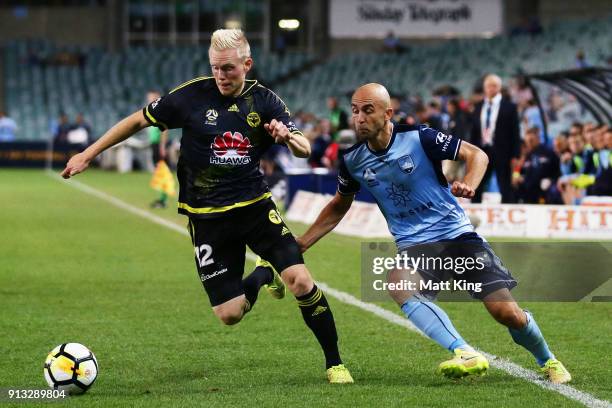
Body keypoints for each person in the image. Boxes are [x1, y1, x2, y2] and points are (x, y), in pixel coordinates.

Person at [61, 28, 353, 384]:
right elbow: (138, 120)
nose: (221, 76)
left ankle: (335, 363)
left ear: (247, 64)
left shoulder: (264, 101)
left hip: (255, 208)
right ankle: (263, 273)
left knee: (301, 281)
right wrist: (88, 153)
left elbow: (305, 149)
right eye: (215, 68)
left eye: (228, 68)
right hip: (206, 218)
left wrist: (288, 138)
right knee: (230, 314)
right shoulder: (191, 95)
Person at [297, 83, 571, 384]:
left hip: (457, 235)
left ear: (388, 113)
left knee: (507, 313)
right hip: (414, 246)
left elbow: (476, 154)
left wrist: (469, 182)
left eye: (367, 110)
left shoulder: (419, 137)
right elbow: (338, 205)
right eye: (355, 111)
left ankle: (548, 360)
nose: (359, 118)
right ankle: (464, 351)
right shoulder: (352, 160)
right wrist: (302, 243)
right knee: (399, 283)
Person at [471, 74, 521, 203]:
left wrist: (516, 154)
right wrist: (471, 152)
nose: (491, 89)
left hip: (502, 151)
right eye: (488, 86)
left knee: (505, 185)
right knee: (476, 184)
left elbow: (515, 132)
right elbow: (474, 131)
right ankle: (473, 215)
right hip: (482, 151)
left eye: (494, 86)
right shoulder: (478, 106)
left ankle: (508, 213)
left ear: (499, 87)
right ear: (484, 88)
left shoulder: (509, 107)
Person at [145, 90, 171, 208]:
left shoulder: (159, 111)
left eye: (152, 97)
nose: (149, 100)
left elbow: (164, 129)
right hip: (154, 145)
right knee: (159, 171)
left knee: (162, 172)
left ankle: (163, 200)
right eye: (148, 98)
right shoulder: (152, 111)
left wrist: (162, 146)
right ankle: (161, 199)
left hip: (159, 146)